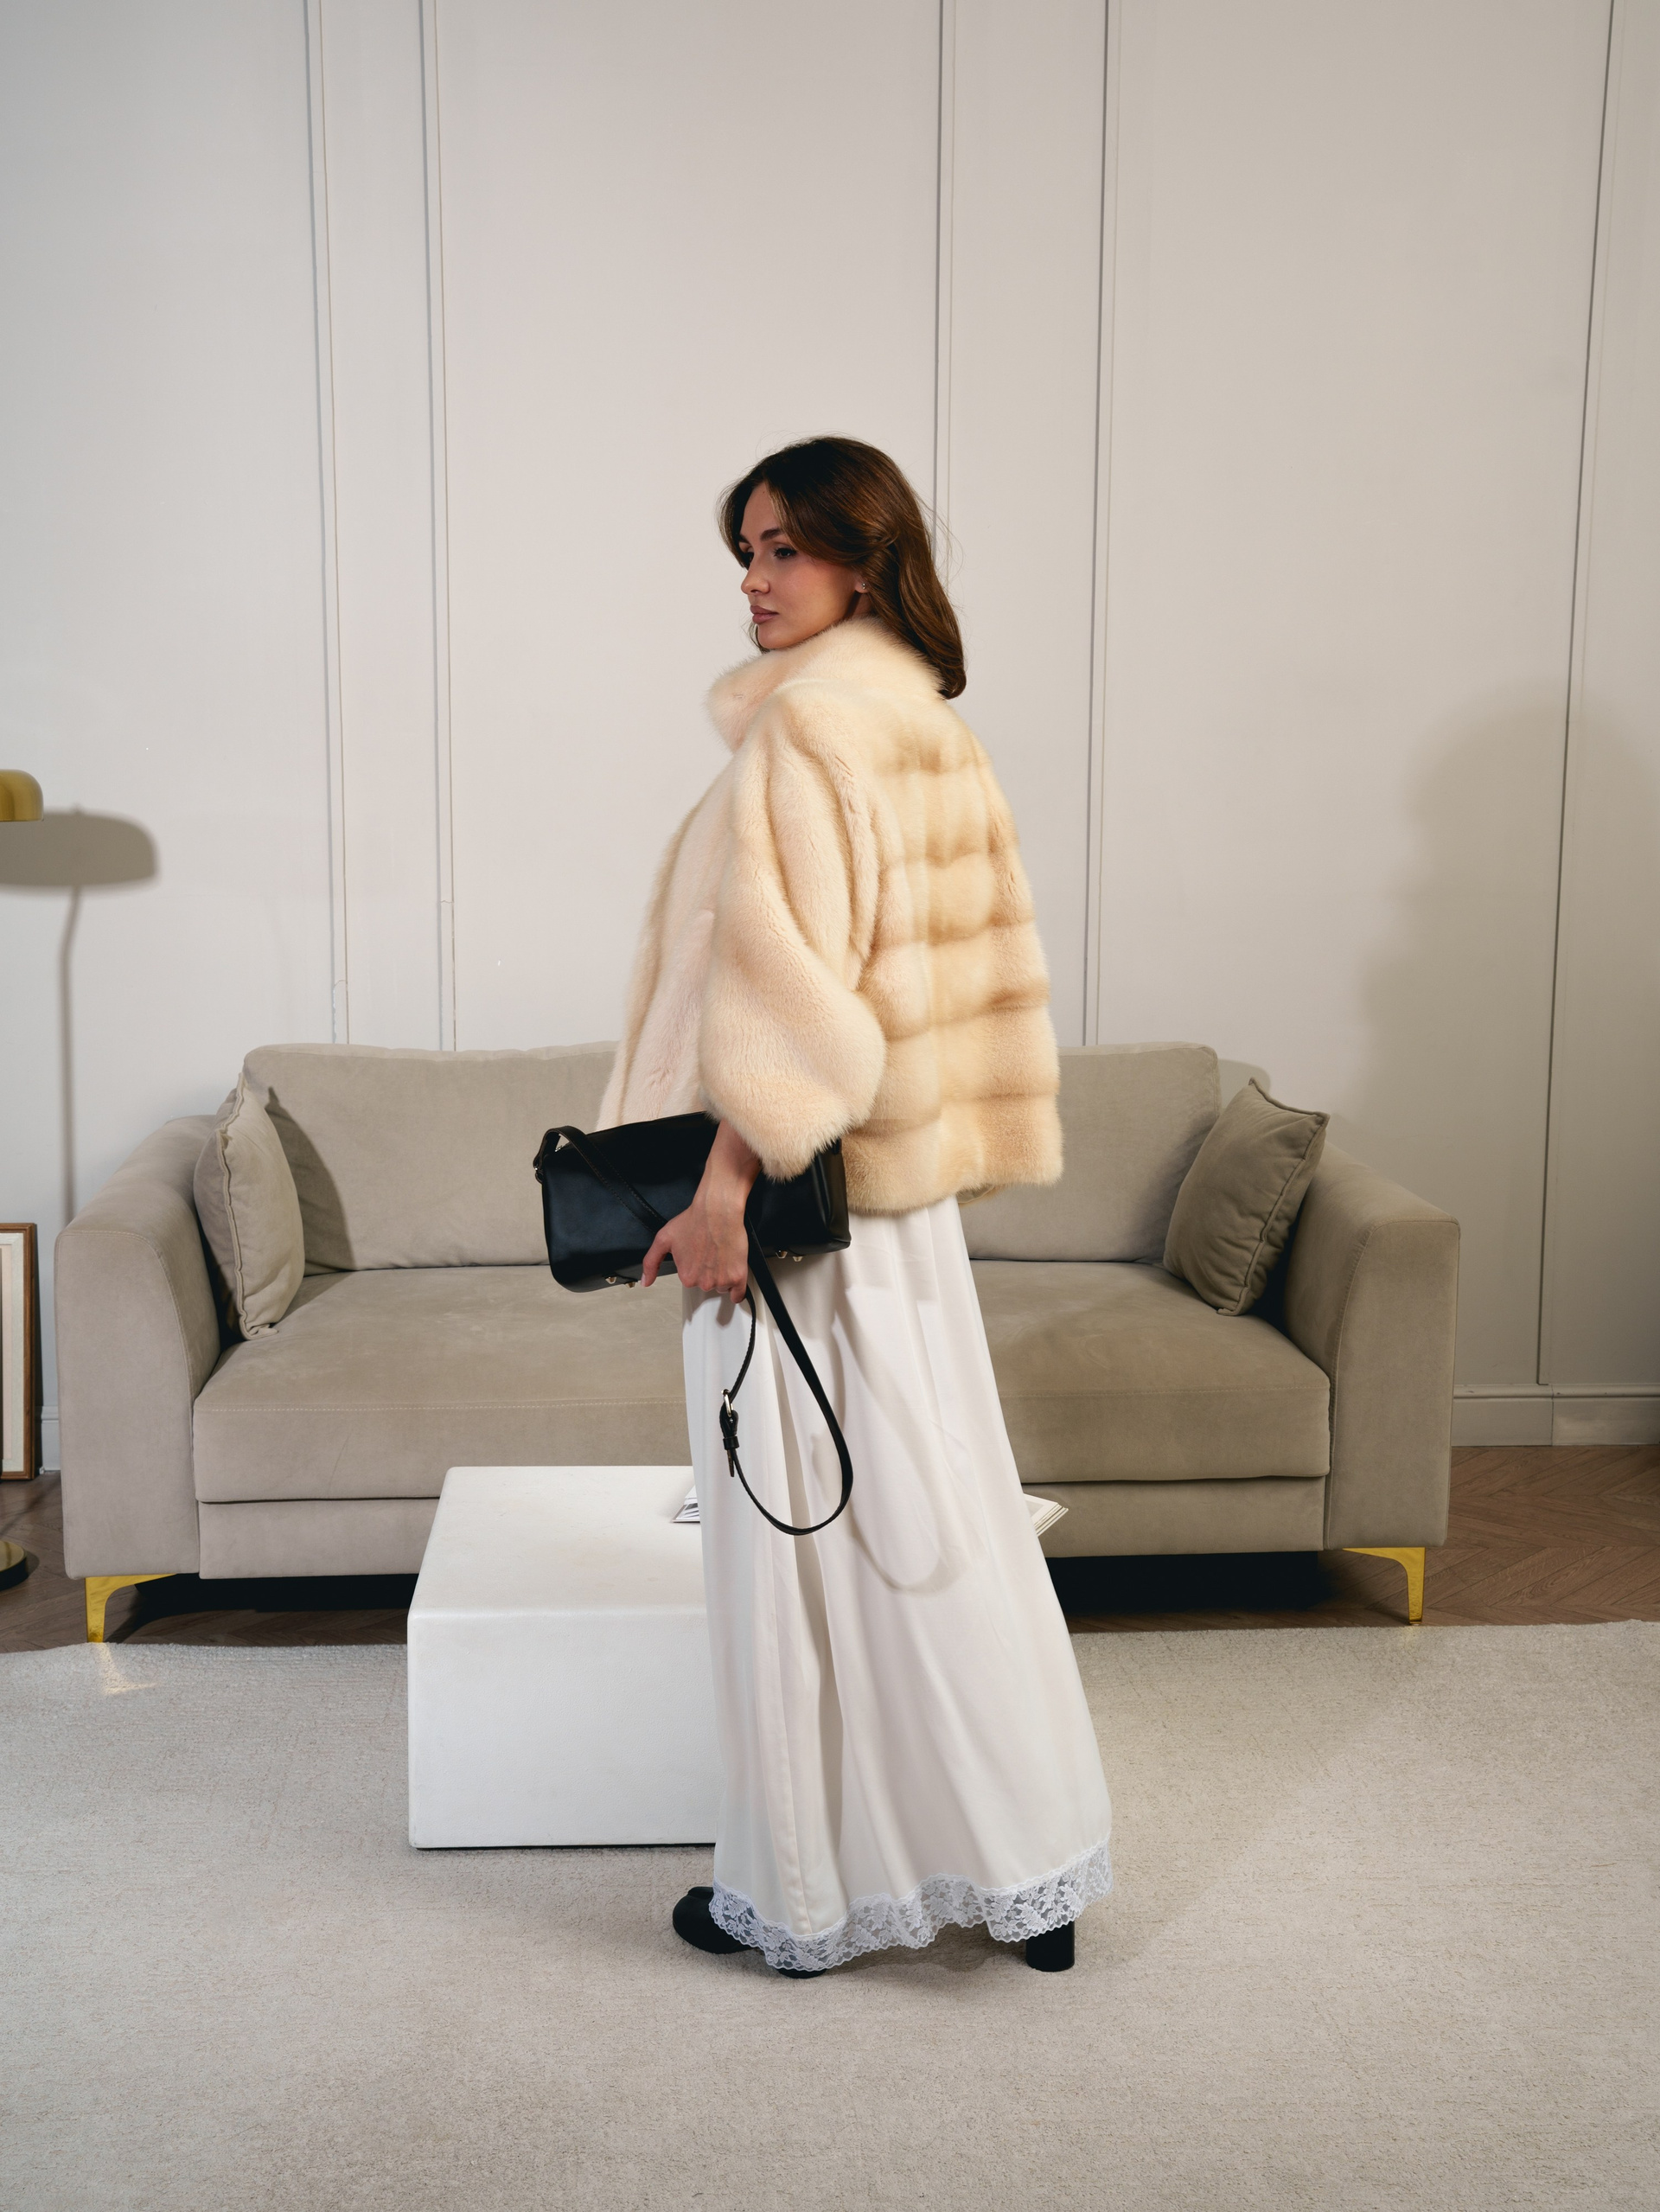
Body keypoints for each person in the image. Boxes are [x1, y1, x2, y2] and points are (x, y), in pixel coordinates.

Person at [598, 436, 1112, 1977]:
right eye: (746, 552)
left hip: (794, 1210)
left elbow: (793, 1022)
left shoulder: (806, 729)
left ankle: (799, 1898)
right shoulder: (925, 725)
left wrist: (719, 1199)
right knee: (936, 1526)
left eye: (784, 549)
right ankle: (1032, 1871)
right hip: (898, 1216)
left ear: (865, 562)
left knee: (791, 1551)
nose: (754, 582)